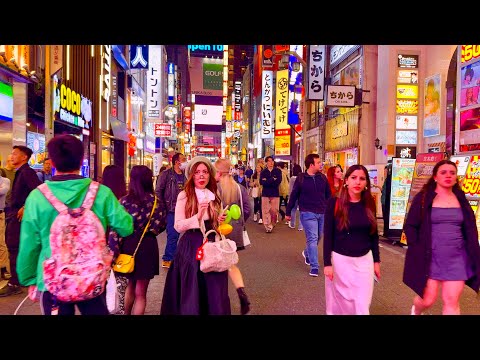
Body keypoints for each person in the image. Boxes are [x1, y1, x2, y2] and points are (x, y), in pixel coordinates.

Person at [16, 134, 134, 314]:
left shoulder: (37, 197)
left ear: (53, 163)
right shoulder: (101, 193)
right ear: (81, 160)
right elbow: (126, 227)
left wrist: (29, 279)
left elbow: (29, 245)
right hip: (92, 278)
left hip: (52, 281)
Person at [403, 160, 480, 315]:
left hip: (457, 258)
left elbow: (470, 229)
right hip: (430, 257)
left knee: (451, 301)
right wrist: (416, 247)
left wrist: (474, 252)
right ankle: (416, 311)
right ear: (435, 177)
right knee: (427, 300)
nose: (448, 176)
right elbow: (410, 226)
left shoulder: (461, 199)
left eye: (452, 173)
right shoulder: (424, 198)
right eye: (443, 172)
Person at [160, 156, 231, 315]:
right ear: (191, 175)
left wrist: (218, 220)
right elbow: (178, 226)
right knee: (192, 289)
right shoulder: (184, 195)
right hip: (191, 248)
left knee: (214, 290)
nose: (201, 175)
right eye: (197, 172)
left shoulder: (214, 194)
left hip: (212, 246)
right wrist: (198, 216)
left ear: (209, 175)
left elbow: (215, 224)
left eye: (205, 172)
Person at [323, 164, 381, 315]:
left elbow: (374, 235)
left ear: (366, 183)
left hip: (364, 261)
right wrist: (327, 264)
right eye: (354, 178)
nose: (358, 182)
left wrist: (376, 261)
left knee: (362, 304)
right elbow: (328, 235)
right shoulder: (334, 203)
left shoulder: (369, 204)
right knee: (341, 304)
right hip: (340, 261)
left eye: (362, 179)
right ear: (346, 180)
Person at [117, 165, 166, 315]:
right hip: (147, 245)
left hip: (128, 244)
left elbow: (118, 226)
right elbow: (162, 225)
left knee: (130, 286)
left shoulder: (124, 201)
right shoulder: (156, 201)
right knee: (141, 293)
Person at [1, 145, 41, 297]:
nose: (11, 156)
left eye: (15, 154)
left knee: (14, 248)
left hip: (18, 218)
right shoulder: (21, 172)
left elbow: (38, 190)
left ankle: (14, 282)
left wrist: (25, 206)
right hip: (13, 216)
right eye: (11, 153)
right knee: (16, 248)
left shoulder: (27, 172)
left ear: (24, 157)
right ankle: (19, 279)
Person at [214, 158, 252, 315]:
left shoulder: (214, 188)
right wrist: (238, 223)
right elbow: (248, 209)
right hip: (234, 232)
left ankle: (219, 300)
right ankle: (241, 291)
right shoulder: (239, 188)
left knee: (217, 265)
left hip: (218, 230)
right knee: (230, 262)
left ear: (219, 172)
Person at [286, 154, 331, 277]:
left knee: (318, 237)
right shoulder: (301, 178)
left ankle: (307, 253)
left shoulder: (322, 178)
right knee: (312, 238)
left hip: (322, 212)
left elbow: (328, 195)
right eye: (318, 162)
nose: (320, 164)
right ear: (311, 165)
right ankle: (314, 266)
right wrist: (288, 212)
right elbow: (294, 195)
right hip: (307, 212)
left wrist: (331, 210)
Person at [102, 164, 128, 315]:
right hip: (120, 251)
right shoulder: (123, 200)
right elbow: (125, 228)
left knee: (102, 288)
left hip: (100, 248)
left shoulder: (99, 197)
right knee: (119, 287)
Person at [155, 153, 187, 269]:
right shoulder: (166, 175)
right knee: (173, 234)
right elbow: (158, 192)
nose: (185, 161)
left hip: (184, 209)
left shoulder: (185, 176)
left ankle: (176, 257)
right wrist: (163, 208)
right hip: (171, 209)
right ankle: (168, 258)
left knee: (183, 235)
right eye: (183, 160)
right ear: (177, 162)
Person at [260, 156, 282, 233]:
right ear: (266, 162)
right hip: (265, 193)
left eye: (272, 161)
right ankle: (267, 225)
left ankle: (272, 223)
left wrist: (268, 181)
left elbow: (278, 182)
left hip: (275, 193)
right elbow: (262, 182)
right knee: (265, 210)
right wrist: (272, 179)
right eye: (269, 161)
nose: (271, 162)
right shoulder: (263, 172)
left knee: (274, 210)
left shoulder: (278, 171)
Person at [0, 174, 10, 283]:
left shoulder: (5, 180)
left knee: (1, 243)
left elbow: (2, 191)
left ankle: (3, 269)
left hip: (0, 215)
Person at [287, 164, 303, 231]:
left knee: (293, 210)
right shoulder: (301, 178)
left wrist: (289, 197)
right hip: (300, 196)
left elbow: (290, 189)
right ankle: (300, 226)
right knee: (301, 211)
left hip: (293, 196)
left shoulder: (292, 178)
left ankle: (292, 224)